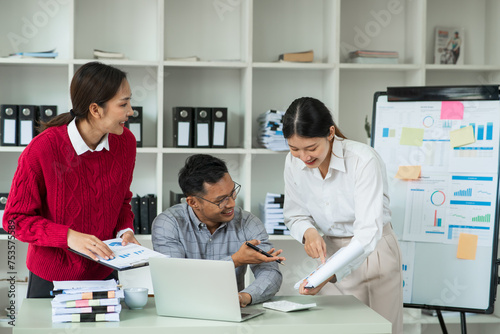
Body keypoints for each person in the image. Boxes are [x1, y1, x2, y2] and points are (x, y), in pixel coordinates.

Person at [2, 62, 139, 298]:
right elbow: (14, 220)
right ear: (96, 110)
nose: (131, 111)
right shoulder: (43, 149)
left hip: (105, 273)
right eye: (123, 104)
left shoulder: (125, 143)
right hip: (50, 279)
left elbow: (122, 201)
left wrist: (124, 230)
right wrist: (67, 237)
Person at [282, 97, 403, 334]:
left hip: (374, 251)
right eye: (294, 148)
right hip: (331, 253)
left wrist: (329, 274)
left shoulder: (363, 159)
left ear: (330, 133)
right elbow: (294, 214)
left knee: (381, 329)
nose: (304, 157)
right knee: (336, 328)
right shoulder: (292, 162)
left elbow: (368, 233)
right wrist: (309, 233)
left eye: (311, 148)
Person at [152, 154, 284, 307]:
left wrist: (245, 297)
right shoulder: (168, 224)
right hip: (183, 309)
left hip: (233, 311)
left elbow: (270, 272)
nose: (232, 203)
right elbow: (176, 280)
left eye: (232, 193)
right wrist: (235, 260)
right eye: (221, 200)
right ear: (193, 202)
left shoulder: (248, 222)